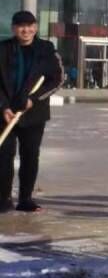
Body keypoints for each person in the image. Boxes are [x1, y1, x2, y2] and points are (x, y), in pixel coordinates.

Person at [0, 11, 64, 213]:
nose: (25, 30)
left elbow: (57, 79)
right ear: (13, 28)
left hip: (33, 114)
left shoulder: (46, 49)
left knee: (30, 156)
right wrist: (2, 106)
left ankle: (25, 199)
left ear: (35, 27)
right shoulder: (2, 48)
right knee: (3, 157)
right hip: (4, 113)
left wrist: (33, 100)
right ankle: (3, 200)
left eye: (29, 25)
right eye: (20, 26)